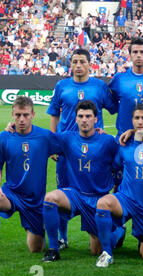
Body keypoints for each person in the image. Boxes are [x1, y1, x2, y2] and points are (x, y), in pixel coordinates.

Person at [46, 48, 117, 251]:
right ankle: (62, 237)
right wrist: (53, 142)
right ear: (71, 64)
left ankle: (105, 228)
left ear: (89, 64)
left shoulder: (99, 86)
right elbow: (53, 114)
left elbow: (113, 108)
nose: (78, 65)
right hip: (67, 148)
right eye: (75, 61)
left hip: (94, 147)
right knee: (62, 191)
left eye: (82, 61)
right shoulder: (62, 86)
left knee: (94, 188)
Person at [0, 96, 60, 264]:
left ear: (33, 114)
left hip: (34, 200)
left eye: (25, 115)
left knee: (36, 248)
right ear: (12, 114)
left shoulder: (45, 136)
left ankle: (37, 227)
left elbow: (69, 145)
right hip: (12, 193)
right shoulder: (4, 137)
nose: (21, 119)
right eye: (17, 115)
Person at [41, 100, 120, 262]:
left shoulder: (107, 141)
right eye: (81, 116)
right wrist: (13, 129)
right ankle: (53, 249)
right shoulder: (66, 138)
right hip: (75, 195)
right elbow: (39, 137)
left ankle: (119, 231)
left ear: (95, 119)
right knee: (50, 199)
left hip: (98, 199)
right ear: (75, 119)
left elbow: (120, 163)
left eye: (88, 116)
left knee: (95, 250)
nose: (84, 120)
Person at [94, 104, 143, 266]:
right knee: (103, 203)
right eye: (137, 118)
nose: (140, 122)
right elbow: (114, 167)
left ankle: (138, 235)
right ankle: (108, 252)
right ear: (132, 121)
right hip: (126, 198)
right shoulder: (124, 143)